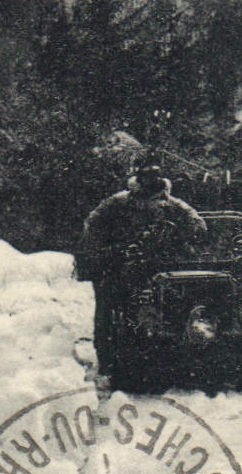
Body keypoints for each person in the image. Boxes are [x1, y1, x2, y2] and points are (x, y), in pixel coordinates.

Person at [78, 163, 207, 386]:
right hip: (121, 265)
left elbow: (197, 224)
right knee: (109, 306)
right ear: (138, 181)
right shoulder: (119, 202)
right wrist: (112, 250)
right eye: (147, 179)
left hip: (160, 265)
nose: (151, 184)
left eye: (155, 179)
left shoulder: (171, 204)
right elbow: (93, 224)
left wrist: (180, 237)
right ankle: (107, 362)